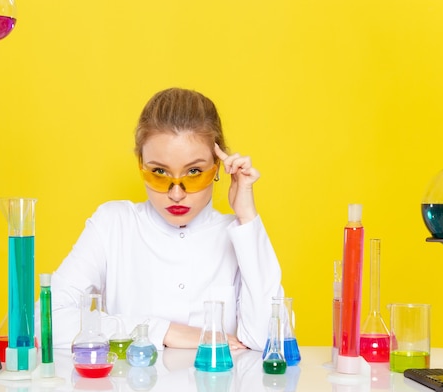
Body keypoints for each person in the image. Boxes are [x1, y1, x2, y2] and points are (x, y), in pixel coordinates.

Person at [44, 87, 283, 351]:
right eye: (159, 172)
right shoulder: (113, 224)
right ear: (141, 164)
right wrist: (164, 331)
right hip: (131, 391)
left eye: (194, 172)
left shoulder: (237, 234)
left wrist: (247, 217)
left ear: (218, 167)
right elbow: (47, 322)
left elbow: (269, 341)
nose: (177, 193)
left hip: (218, 390)